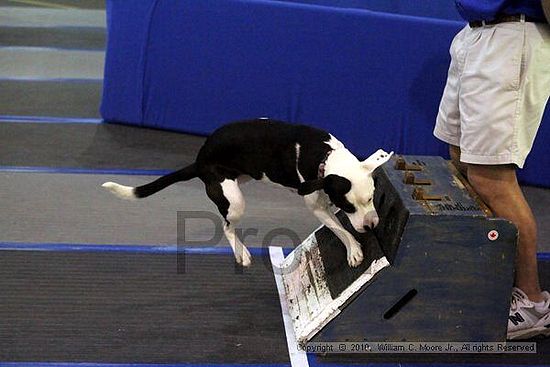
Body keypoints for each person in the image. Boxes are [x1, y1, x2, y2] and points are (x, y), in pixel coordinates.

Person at [434, 0, 550, 340]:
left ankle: (532, 303)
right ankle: (488, 273)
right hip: (475, 34)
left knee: (492, 178)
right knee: (459, 157)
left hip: (513, 38)